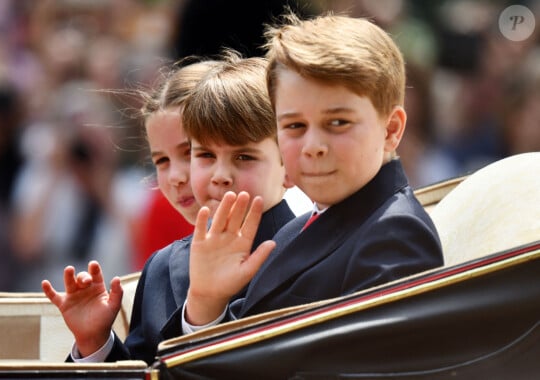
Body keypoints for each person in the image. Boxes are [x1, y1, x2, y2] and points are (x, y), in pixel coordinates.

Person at [165, 11, 444, 336]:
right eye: (295, 125)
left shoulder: (394, 235)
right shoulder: (292, 233)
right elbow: (244, 351)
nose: (313, 146)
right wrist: (206, 302)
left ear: (391, 129)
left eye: (337, 123)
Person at [43, 51, 297, 365]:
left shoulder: (305, 253)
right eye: (204, 155)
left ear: (288, 164)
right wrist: (95, 345)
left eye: (243, 156)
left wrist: (205, 310)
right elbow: (145, 368)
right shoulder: (162, 267)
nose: (179, 176)